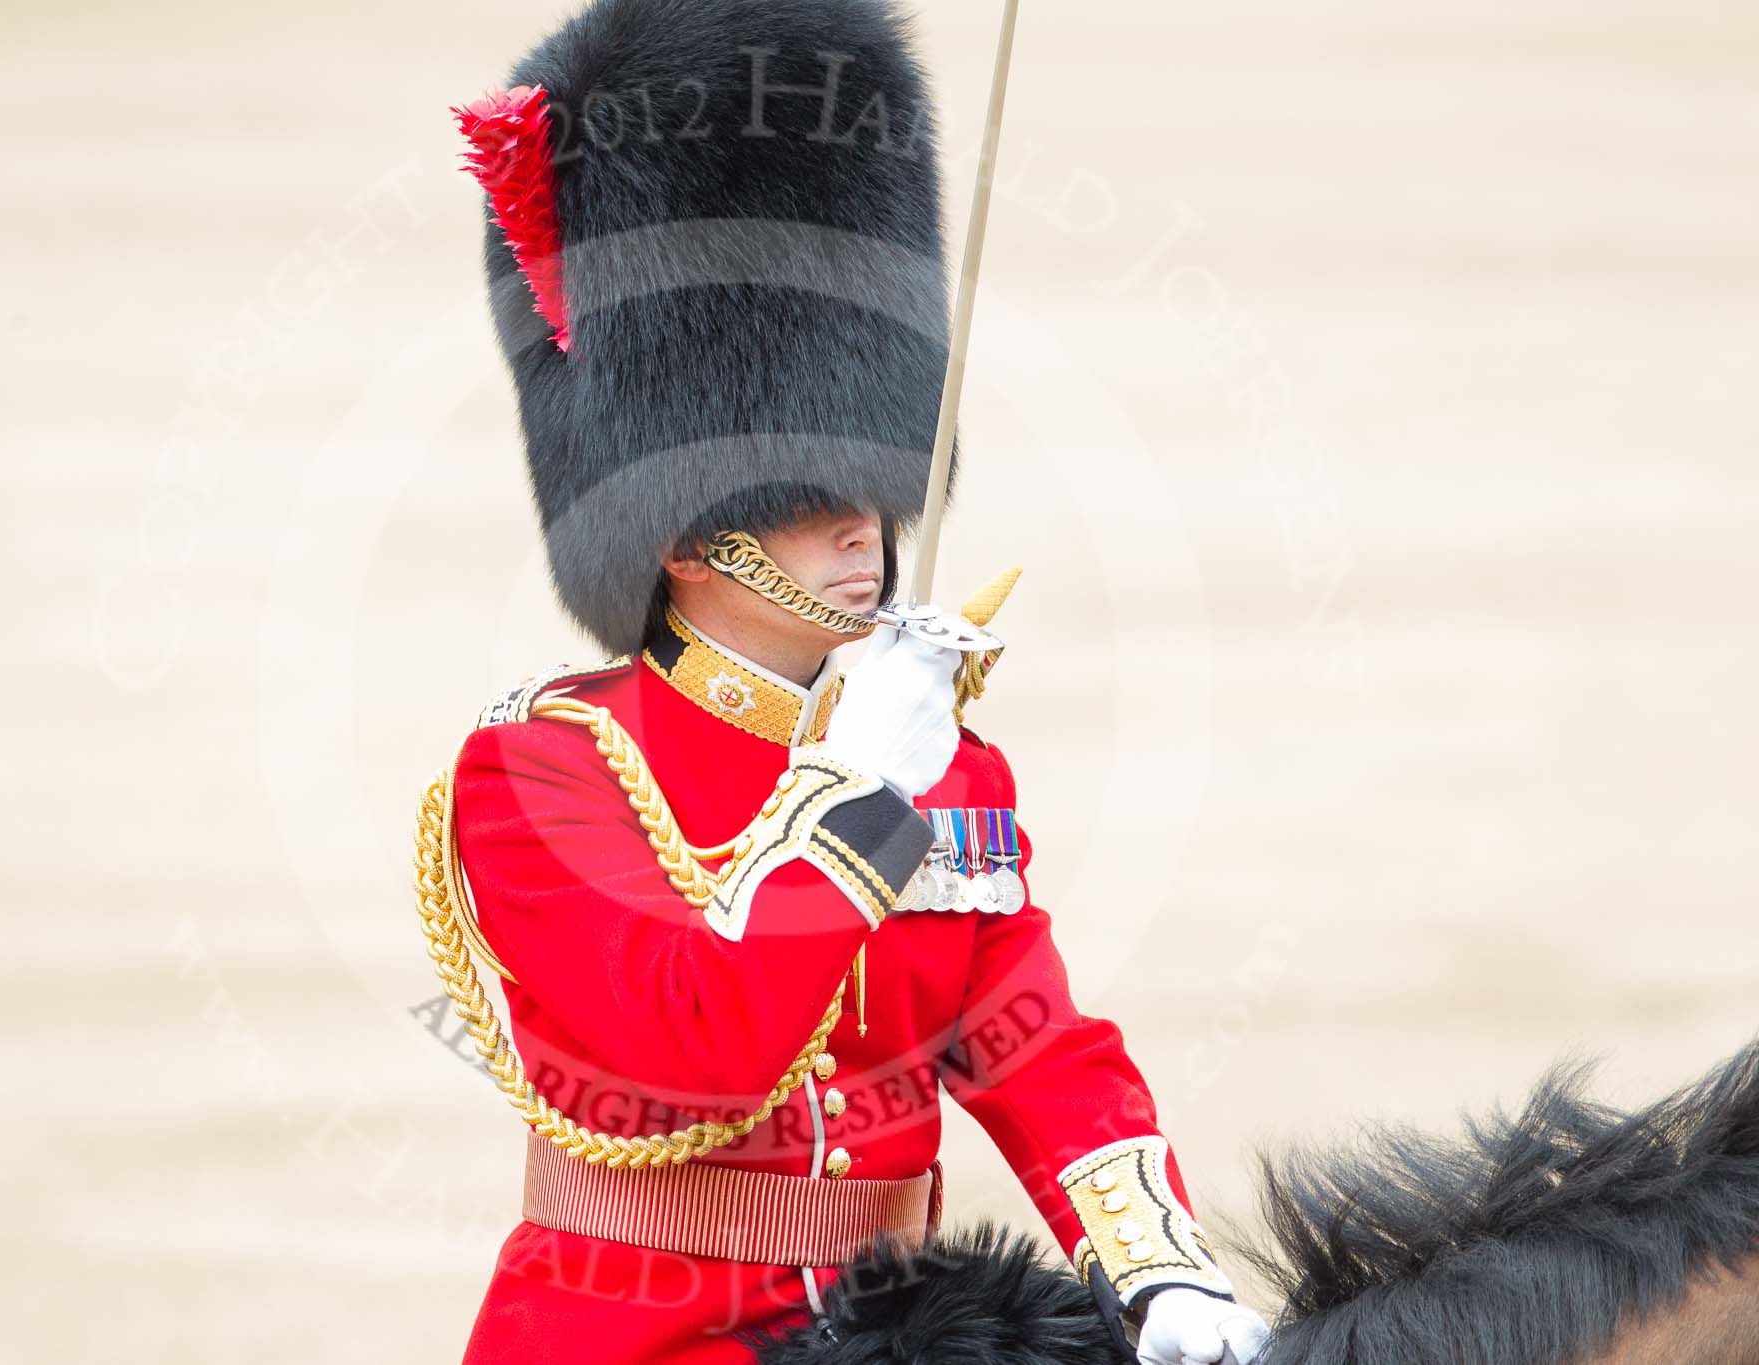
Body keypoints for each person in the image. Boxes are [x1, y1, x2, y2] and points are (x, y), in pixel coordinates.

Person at [430, 1, 1271, 1360]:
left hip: (899, 1326)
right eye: (812, 502)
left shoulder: (949, 759)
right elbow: (691, 1053)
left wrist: (1160, 1267)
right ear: (690, 532)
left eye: (874, 490)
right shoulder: (545, 771)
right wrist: (861, 793)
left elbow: (1034, 1040)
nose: (864, 530)